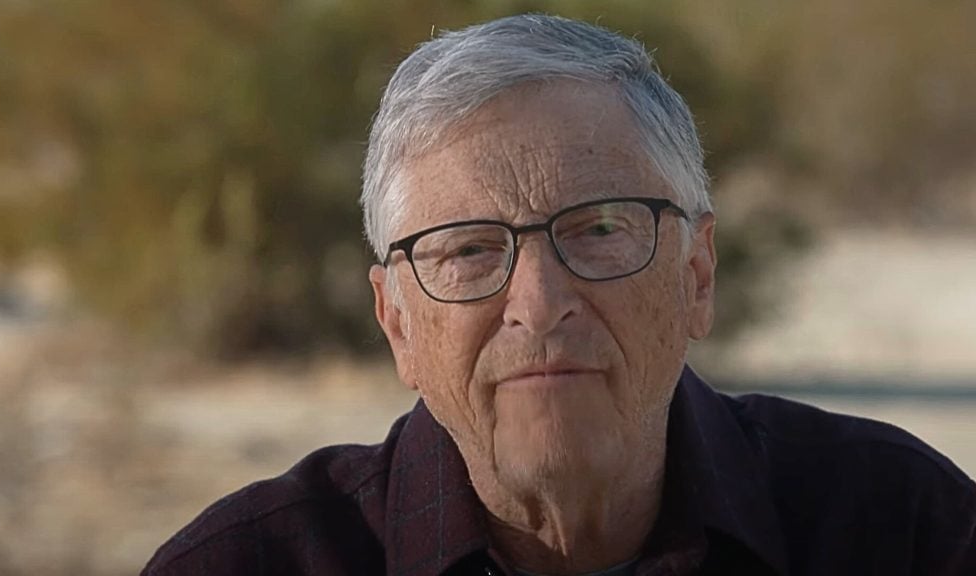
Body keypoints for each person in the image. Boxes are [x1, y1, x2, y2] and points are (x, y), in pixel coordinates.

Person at [142, 14, 976, 576]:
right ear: (396, 322)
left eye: (602, 229)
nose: (539, 305)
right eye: (468, 249)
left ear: (697, 275)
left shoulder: (898, 527)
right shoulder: (250, 562)